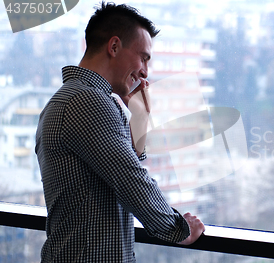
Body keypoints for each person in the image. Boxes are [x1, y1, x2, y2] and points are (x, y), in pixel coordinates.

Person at [35, 2, 205, 262]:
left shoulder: (71, 99)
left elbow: (115, 174)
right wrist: (179, 228)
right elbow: (132, 182)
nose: (145, 71)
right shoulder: (88, 102)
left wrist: (138, 121)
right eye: (143, 57)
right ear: (114, 47)